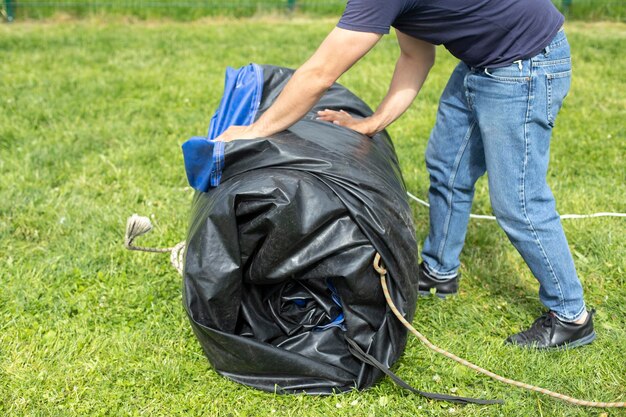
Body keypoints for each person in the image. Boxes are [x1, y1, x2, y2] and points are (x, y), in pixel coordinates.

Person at [215, 0, 596, 349]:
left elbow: (320, 73)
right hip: (485, 63)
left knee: (519, 203)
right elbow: (415, 55)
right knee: (447, 169)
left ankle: (570, 316)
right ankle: (439, 271)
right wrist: (373, 122)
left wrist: (256, 131)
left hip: (524, 65)